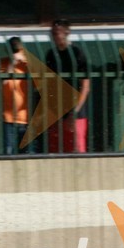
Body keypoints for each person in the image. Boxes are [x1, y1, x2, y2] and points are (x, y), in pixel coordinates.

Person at [45, 19, 91, 153]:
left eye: (57, 33)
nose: (54, 36)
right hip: (56, 110)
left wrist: (75, 110)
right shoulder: (51, 54)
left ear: (66, 33)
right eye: (52, 33)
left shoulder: (77, 53)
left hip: (75, 110)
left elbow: (85, 86)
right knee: (56, 148)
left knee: (76, 147)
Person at [0, 37, 32, 154]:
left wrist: (26, 62)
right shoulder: (1, 63)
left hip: (26, 117)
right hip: (8, 117)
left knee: (28, 154)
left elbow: (39, 83)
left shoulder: (27, 64)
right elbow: (2, 82)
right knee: (8, 153)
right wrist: (12, 63)